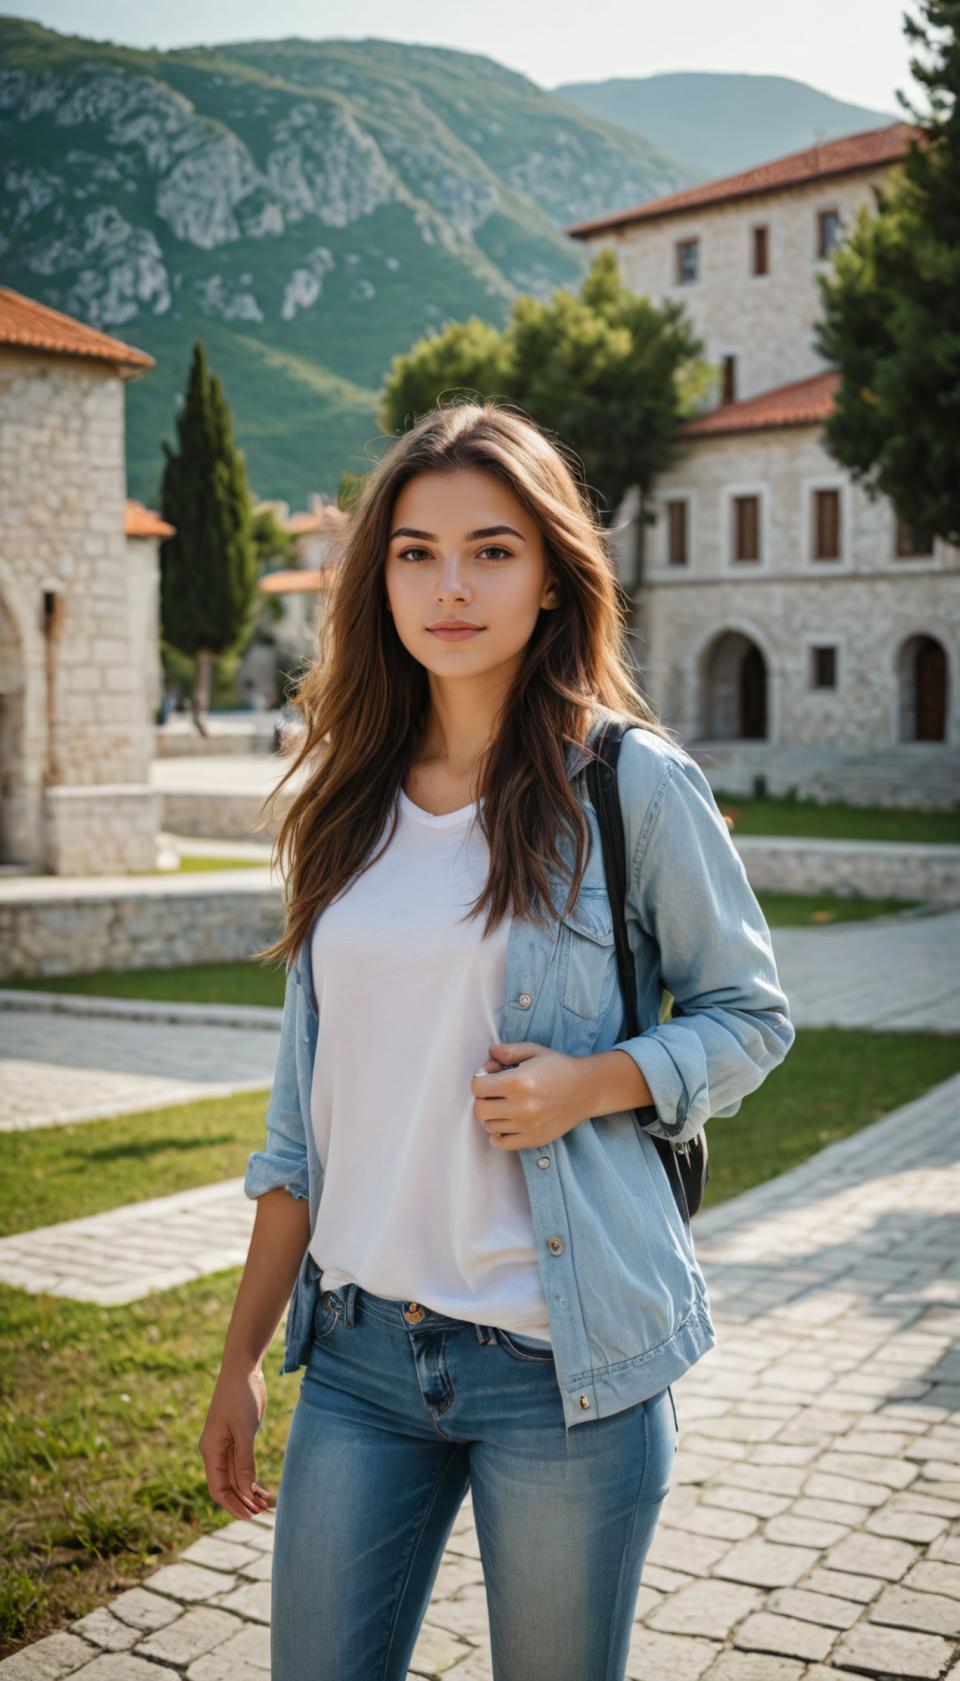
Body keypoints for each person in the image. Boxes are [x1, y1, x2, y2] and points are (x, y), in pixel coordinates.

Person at [198, 399, 795, 1681]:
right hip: (357, 1360)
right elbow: (303, 1126)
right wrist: (242, 1356)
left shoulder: (629, 786)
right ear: (380, 580)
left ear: (550, 577)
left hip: (562, 1366)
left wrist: (598, 1080)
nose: (450, 585)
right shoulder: (343, 805)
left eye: (492, 549)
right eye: (415, 551)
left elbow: (753, 1014)